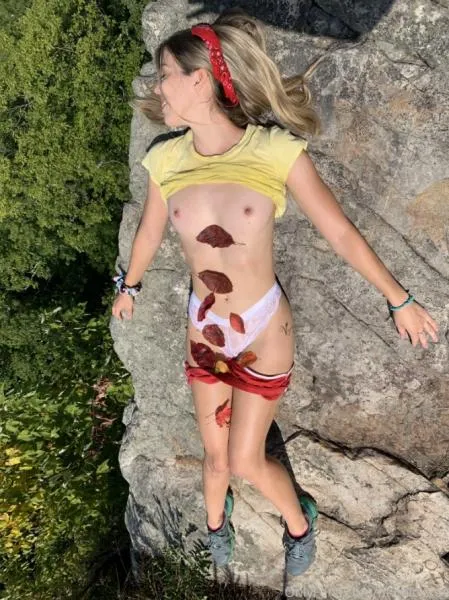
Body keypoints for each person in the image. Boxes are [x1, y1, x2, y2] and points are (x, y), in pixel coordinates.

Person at [111, 9, 439, 576]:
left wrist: (399, 299)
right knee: (215, 459)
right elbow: (147, 233)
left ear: (199, 80)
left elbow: (339, 232)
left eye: (164, 75)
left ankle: (299, 520)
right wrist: (130, 286)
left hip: (263, 329)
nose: (156, 86)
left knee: (244, 459)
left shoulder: (273, 151)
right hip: (203, 330)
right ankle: (217, 526)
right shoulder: (165, 158)